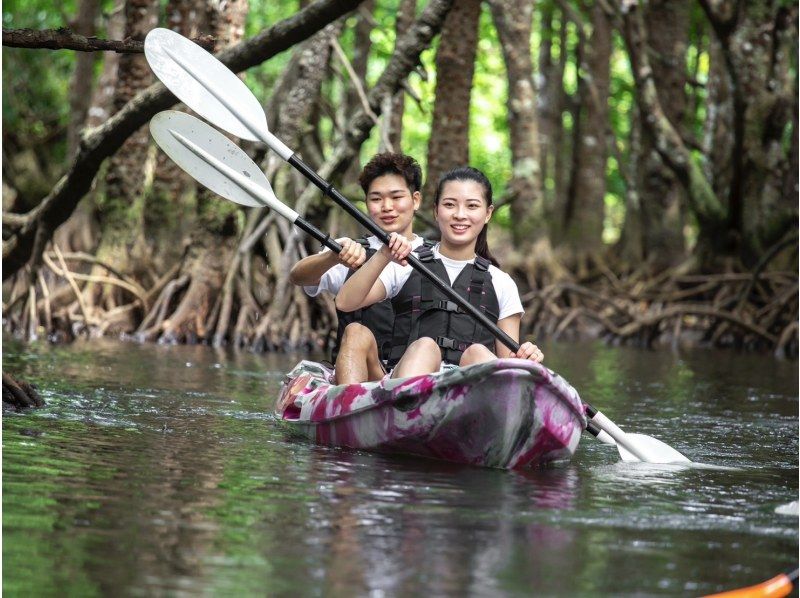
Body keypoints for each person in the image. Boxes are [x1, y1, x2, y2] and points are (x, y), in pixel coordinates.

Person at [335, 166, 543, 380]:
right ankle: (398, 405)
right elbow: (345, 302)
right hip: (406, 382)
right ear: (436, 211)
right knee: (417, 344)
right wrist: (382, 256)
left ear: (488, 213)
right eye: (449, 205)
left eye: (472, 206)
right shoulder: (406, 263)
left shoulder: (501, 282)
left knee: (477, 353)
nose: (460, 215)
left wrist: (524, 358)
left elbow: (509, 361)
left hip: (469, 391)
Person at [288, 152, 425, 383]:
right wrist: (331, 257)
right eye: (376, 198)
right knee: (355, 332)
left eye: (396, 197)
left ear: (416, 200)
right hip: (360, 372)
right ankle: (349, 404)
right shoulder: (349, 251)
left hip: (412, 376)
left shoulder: (436, 256)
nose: (387, 207)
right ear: (366, 203)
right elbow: (298, 276)